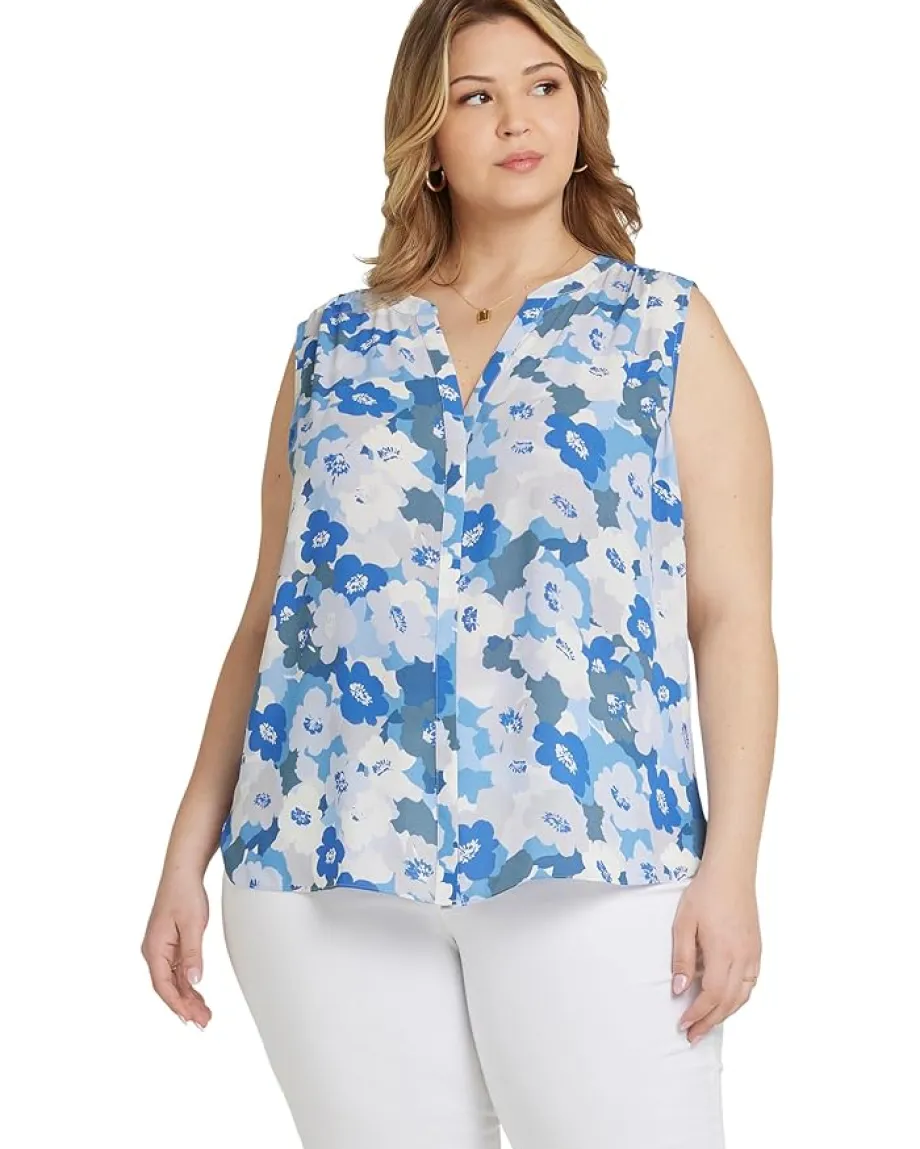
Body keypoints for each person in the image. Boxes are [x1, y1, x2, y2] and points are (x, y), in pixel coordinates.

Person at [141, 1, 776, 1146]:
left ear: (581, 109)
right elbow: (270, 614)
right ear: (425, 136)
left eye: (542, 85)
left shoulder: (662, 329)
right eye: (474, 96)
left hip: (593, 861)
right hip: (319, 867)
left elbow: (729, 617)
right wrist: (186, 853)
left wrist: (729, 868)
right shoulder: (333, 345)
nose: (514, 119)